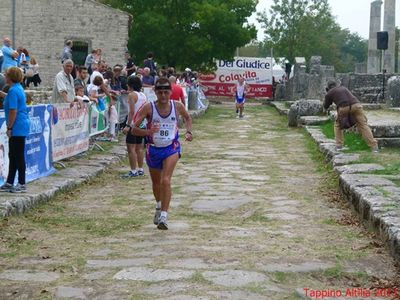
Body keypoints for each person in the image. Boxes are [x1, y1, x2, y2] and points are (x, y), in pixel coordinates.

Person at [132, 77, 193, 230]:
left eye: (166, 92)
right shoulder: (148, 108)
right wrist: (148, 131)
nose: (164, 96)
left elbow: (187, 118)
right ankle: (159, 206)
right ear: (156, 93)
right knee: (156, 183)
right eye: (160, 92)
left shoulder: (177, 106)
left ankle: (164, 217)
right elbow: (134, 129)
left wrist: (189, 132)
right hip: (153, 148)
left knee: (166, 180)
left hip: (171, 147)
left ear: (171, 92)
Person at [324, 80, 379, 152]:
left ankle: (339, 145)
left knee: (338, 125)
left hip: (343, 107)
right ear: (336, 85)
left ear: (328, 88)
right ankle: (374, 147)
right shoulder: (343, 88)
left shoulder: (329, 93)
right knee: (363, 125)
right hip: (357, 105)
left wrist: (325, 107)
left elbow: (326, 105)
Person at [0, 67, 30, 193]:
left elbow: (13, 110)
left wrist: (9, 127)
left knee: (17, 155)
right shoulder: (17, 88)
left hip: (17, 126)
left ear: (10, 77)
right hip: (21, 124)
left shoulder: (13, 90)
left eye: (6, 75)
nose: (4, 77)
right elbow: (12, 98)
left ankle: (22, 183)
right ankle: (9, 182)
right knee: (13, 155)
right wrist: (2, 94)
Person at [121, 76, 148, 178]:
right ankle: (140, 169)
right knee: (139, 148)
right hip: (141, 124)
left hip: (133, 124)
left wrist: (128, 125)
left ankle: (133, 170)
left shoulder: (132, 95)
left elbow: (131, 112)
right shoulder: (143, 95)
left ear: (130, 85)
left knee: (131, 148)